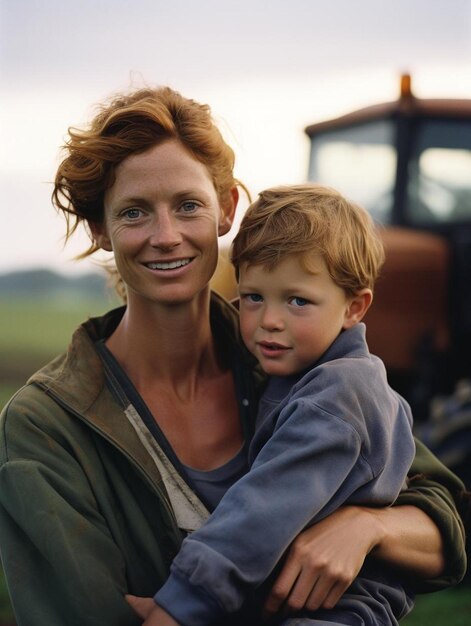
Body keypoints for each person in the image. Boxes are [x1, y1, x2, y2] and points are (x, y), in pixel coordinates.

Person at [0, 86, 466, 626]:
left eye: (188, 205)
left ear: (226, 211)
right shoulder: (48, 426)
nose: (166, 235)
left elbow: (447, 521)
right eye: (134, 213)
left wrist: (368, 528)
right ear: (100, 228)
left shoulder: (299, 363)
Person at [130, 184, 415, 626]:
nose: (270, 321)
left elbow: (262, 510)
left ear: (353, 308)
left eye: (298, 300)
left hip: (336, 613)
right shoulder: (320, 376)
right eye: (253, 298)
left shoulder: (337, 397)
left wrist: (179, 605)